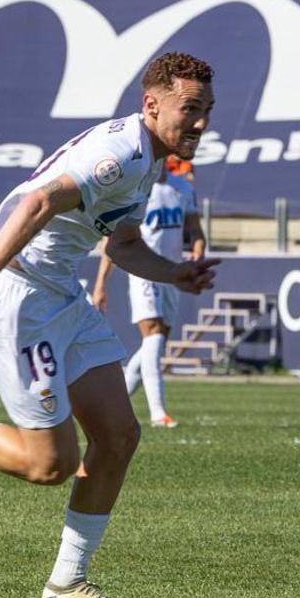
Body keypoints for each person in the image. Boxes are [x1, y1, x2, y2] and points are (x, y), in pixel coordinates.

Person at [0, 53, 221, 598]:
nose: (201, 123)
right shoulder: (119, 155)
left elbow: (121, 245)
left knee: (119, 436)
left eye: (207, 110)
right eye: (190, 108)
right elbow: (37, 201)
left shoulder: (150, 158)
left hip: (60, 295)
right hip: (18, 302)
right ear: (152, 104)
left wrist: (175, 275)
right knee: (49, 465)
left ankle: (67, 584)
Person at [92, 157, 204, 430]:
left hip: (173, 274)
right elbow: (115, 245)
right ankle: (158, 413)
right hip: (144, 273)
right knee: (153, 335)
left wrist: (198, 255)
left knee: (153, 345)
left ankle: (112, 405)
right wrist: (100, 285)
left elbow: (195, 231)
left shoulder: (183, 189)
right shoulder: (136, 192)